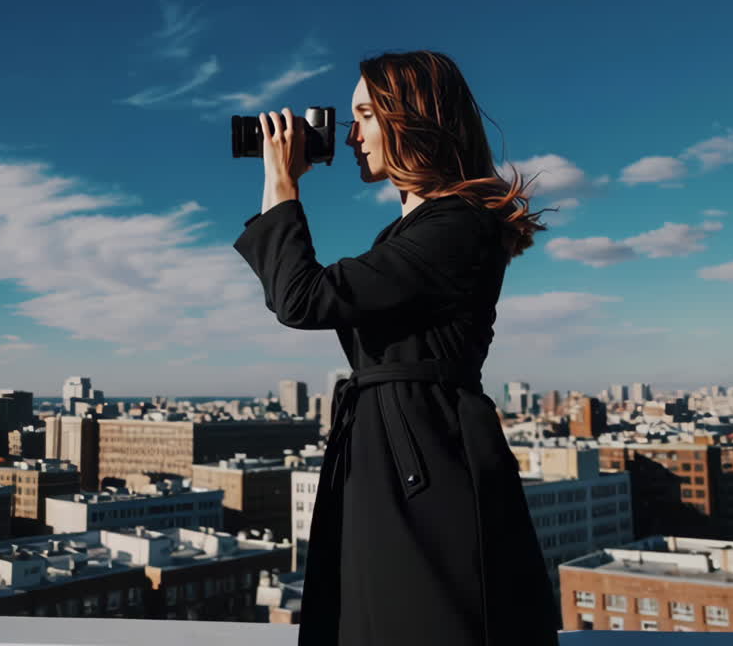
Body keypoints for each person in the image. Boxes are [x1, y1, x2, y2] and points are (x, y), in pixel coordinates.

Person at [233, 50, 560, 645]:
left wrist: (281, 183)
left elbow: (302, 299)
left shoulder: (455, 226)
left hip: (422, 455)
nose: (350, 134)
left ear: (414, 118)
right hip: (399, 445)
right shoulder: (423, 228)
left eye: (365, 114)